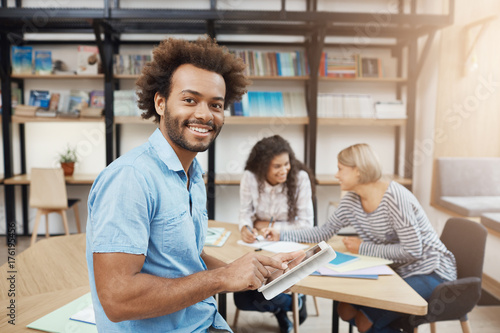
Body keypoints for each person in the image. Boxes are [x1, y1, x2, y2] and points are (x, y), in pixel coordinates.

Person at [86, 36, 304, 332]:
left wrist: (251, 269)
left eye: (216, 105)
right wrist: (222, 279)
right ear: (160, 103)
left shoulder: (192, 174)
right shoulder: (130, 178)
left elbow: (185, 257)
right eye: (190, 100)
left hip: (203, 322)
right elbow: (117, 299)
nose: (204, 114)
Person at [264, 143, 457, 333]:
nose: (336, 174)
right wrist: (281, 233)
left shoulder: (395, 198)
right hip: (399, 271)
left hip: (432, 271)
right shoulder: (351, 200)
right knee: (345, 309)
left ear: (358, 171)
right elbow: (323, 232)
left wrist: (362, 247)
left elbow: (413, 250)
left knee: (365, 321)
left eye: (340, 169)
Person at [235, 135, 315, 332]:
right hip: (260, 245)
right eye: (277, 166)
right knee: (241, 299)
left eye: (286, 164)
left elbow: (306, 226)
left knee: (264, 289)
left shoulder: (300, 178)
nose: (284, 170)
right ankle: (290, 306)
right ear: (263, 167)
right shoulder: (250, 177)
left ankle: (291, 305)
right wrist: (245, 228)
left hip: (291, 248)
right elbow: (245, 213)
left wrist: (276, 229)